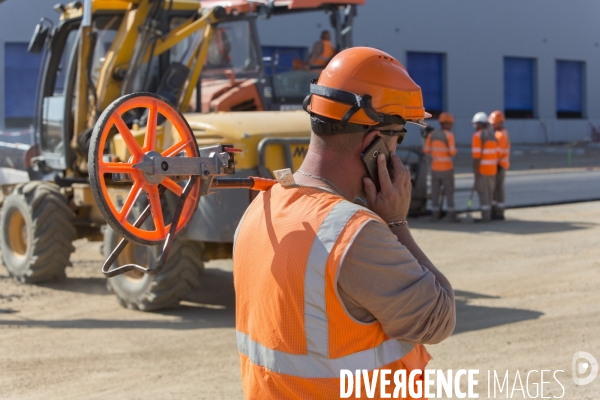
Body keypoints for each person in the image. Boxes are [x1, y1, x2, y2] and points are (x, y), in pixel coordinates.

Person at [234, 47, 455, 399]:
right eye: (397, 138)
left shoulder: (260, 209)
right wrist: (396, 222)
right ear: (374, 145)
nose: (396, 154)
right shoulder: (353, 233)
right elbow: (438, 318)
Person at [423, 112, 458, 222]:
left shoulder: (432, 135)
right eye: (451, 124)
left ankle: (435, 215)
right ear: (446, 123)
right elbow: (452, 152)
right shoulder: (449, 135)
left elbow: (425, 150)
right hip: (447, 169)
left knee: (435, 192)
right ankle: (451, 215)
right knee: (449, 192)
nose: (451, 126)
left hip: (435, 169)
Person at [471, 112, 501, 222]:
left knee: (483, 194)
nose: (474, 126)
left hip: (483, 170)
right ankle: (490, 215)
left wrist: (476, 169)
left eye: (476, 124)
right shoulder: (492, 136)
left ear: (480, 124)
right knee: (489, 194)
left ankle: (486, 217)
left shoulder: (477, 136)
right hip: (492, 170)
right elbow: (496, 153)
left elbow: (477, 155)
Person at [489, 110, 510, 220]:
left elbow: (498, 152)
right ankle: (496, 210)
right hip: (500, 164)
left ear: (498, 122)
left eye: (493, 123)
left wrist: (493, 164)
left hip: (500, 165)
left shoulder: (501, 135)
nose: (492, 125)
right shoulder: (500, 133)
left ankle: (499, 212)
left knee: (498, 189)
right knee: (496, 189)